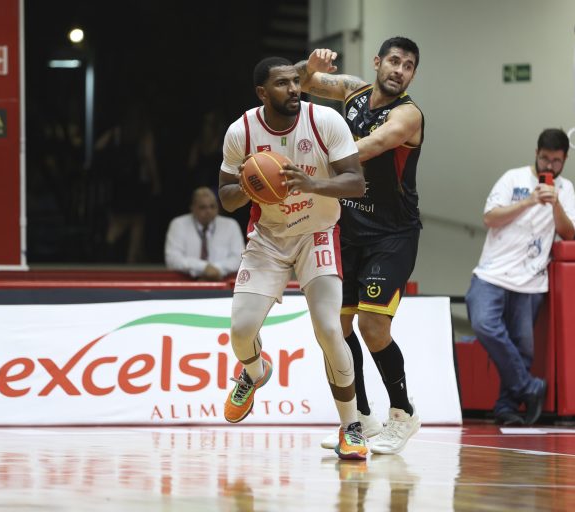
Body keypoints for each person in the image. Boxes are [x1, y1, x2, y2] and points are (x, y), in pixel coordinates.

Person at [218, 56, 368, 460]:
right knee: (240, 331)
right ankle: (255, 372)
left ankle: (351, 427)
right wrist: (252, 186)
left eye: (295, 81)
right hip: (269, 237)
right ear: (262, 93)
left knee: (330, 329)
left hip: (317, 233)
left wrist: (312, 183)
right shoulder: (242, 130)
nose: (294, 89)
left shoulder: (325, 120)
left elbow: (356, 183)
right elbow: (225, 197)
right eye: (282, 84)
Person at [297, 37, 424, 454]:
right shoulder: (353, 91)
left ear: (412, 75)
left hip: (392, 235)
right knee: (339, 327)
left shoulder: (408, 115)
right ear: (377, 62)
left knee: (372, 325)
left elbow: (369, 147)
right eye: (394, 61)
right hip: (348, 230)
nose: (399, 70)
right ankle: (362, 419)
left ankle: (402, 413)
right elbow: (299, 83)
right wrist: (311, 66)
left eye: (408, 66)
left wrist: (312, 166)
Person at [465, 128, 575, 426]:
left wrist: (554, 203)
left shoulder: (566, 189)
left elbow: (569, 233)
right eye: (545, 159)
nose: (549, 166)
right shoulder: (513, 178)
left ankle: (507, 407)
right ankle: (529, 387)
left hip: (531, 279)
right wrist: (529, 201)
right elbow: (490, 218)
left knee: (523, 347)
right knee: (483, 323)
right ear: (536, 153)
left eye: (556, 161)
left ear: (565, 159)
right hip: (492, 272)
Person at [94, 103, 161, 263]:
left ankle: (119, 252)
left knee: (125, 220)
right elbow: (149, 158)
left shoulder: (117, 132)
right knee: (136, 220)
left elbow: (98, 146)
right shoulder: (143, 134)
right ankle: (127, 256)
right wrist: (156, 182)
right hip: (135, 183)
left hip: (119, 183)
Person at [164, 186, 244, 281]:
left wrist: (217, 270)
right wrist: (204, 267)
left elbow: (239, 258)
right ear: (192, 208)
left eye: (212, 206)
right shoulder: (178, 224)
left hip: (223, 281)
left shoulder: (231, 225)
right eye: (203, 207)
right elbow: (172, 259)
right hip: (186, 282)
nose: (208, 211)